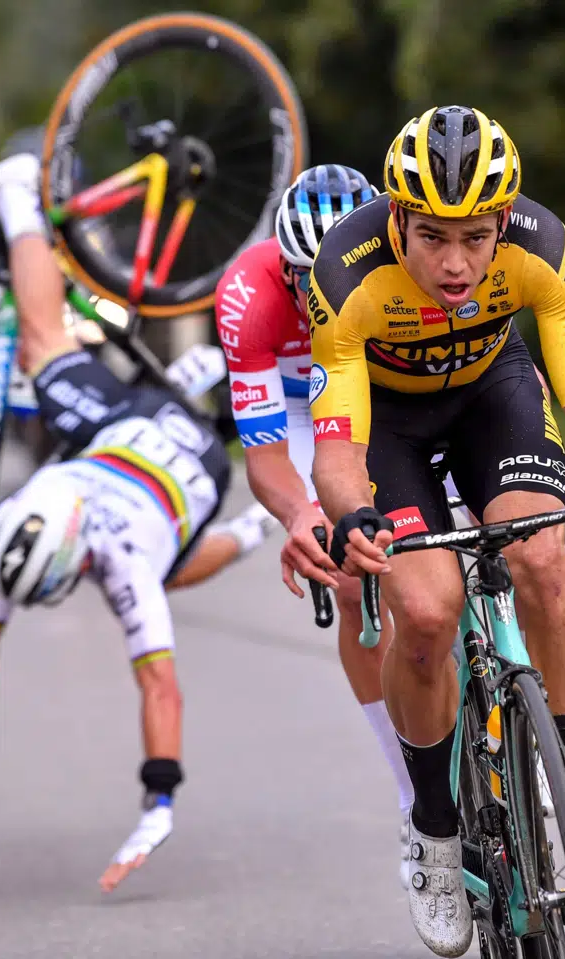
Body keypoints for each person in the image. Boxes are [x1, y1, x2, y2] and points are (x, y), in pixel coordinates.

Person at [305, 105, 565, 956]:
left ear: (504, 220)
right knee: (424, 609)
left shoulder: (541, 245)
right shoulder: (345, 274)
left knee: (544, 561)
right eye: (431, 237)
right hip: (386, 424)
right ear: (397, 219)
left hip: (491, 391)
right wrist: (352, 512)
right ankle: (432, 829)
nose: (455, 264)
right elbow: (338, 447)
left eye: (475, 237)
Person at [0, 151, 276, 893]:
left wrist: (161, 797)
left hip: (189, 461)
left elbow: (162, 692)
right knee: (48, 347)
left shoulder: (122, 560)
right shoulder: (20, 530)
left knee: (164, 568)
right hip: (117, 439)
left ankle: (21, 201)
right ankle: (27, 216)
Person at [218, 162, 430, 876]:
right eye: (301, 279)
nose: (317, 295)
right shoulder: (247, 295)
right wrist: (301, 512)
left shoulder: (408, 266)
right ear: (281, 266)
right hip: (300, 405)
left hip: (381, 388)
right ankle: (412, 794)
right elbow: (267, 452)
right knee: (349, 577)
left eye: (330, 275)